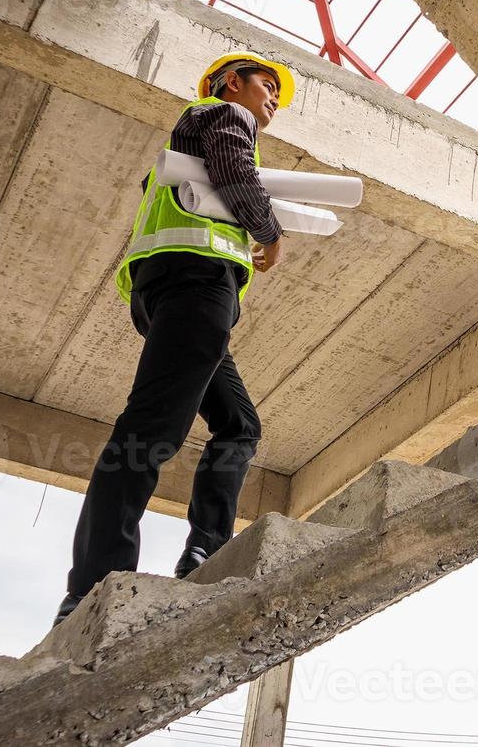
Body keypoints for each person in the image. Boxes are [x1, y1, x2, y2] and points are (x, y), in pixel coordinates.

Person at [53, 51, 296, 627]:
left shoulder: (182, 152)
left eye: (277, 99)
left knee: (239, 425)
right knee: (150, 430)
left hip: (176, 292)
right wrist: (271, 235)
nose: (272, 102)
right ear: (231, 82)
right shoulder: (222, 114)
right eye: (267, 87)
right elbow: (238, 174)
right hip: (195, 285)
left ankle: (205, 548)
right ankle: (93, 583)